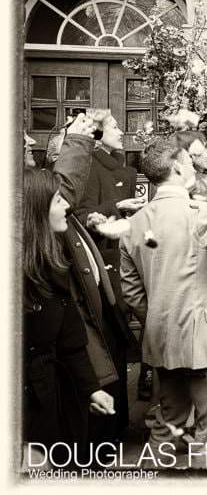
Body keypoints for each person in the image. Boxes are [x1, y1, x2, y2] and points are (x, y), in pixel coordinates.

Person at [119, 140, 207, 467]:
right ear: (178, 168)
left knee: (167, 425)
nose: (194, 168)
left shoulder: (134, 223)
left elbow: (131, 293)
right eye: (189, 162)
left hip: (162, 341)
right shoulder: (199, 212)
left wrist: (160, 316)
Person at [23, 114, 116, 465]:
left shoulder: (51, 266)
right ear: (34, 210)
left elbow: (70, 343)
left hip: (55, 398)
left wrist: (91, 388)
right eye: (57, 200)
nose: (66, 203)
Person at [72, 108, 143, 441]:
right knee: (109, 342)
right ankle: (108, 433)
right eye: (114, 126)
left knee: (120, 342)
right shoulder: (89, 166)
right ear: (97, 134)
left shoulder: (126, 170)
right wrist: (118, 210)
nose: (121, 130)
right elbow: (81, 215)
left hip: (127, 259)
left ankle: (120, 425)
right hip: (103, 264)